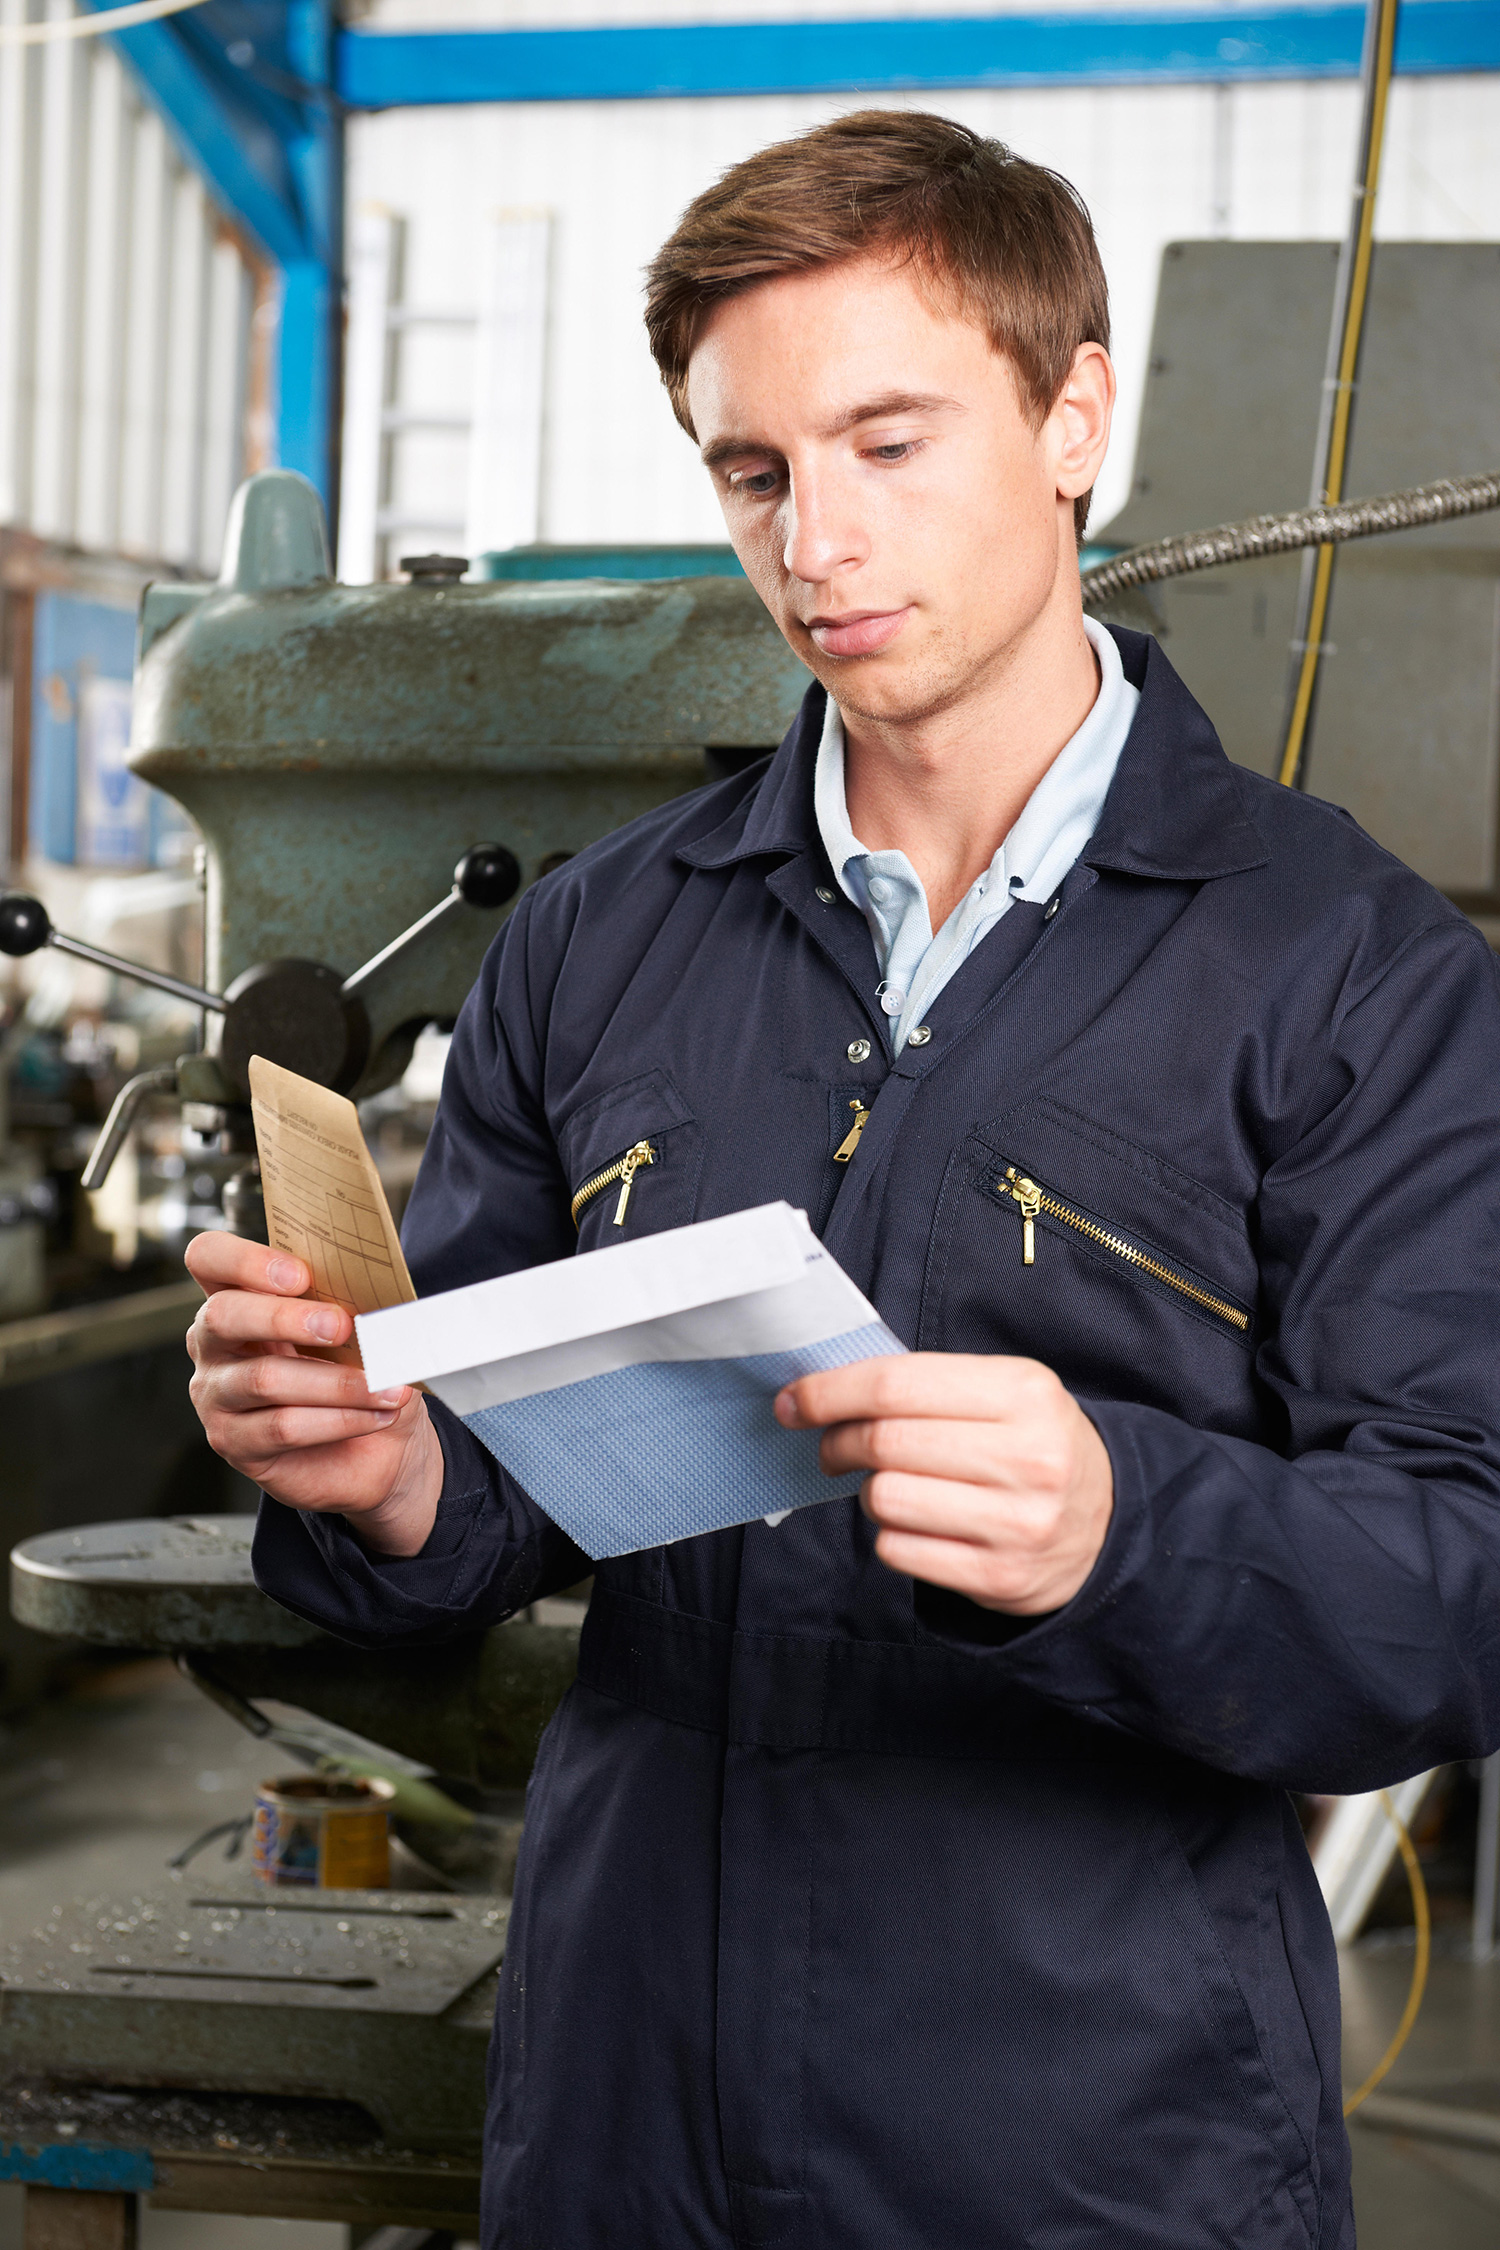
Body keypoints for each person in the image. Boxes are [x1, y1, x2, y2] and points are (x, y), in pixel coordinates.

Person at [185, 110, 1500, 2249]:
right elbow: (496, 1489)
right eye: (756, 471)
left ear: (1076, 415)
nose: (819, 545)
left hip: (1090, 2152)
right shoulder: (602, 943)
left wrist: (1119, 1526)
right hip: (627, 2119)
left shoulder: (1348, 976)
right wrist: (388, 1474)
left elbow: (1463, 1578)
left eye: (891, 444)